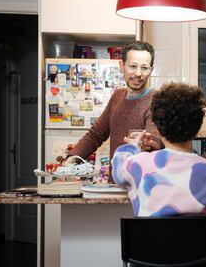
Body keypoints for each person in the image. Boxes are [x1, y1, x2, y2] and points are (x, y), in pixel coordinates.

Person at [112, 83, 206, 267]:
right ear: (197, 127)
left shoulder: (138, 164)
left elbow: (117, 166)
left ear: (157, 125)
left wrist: (133, 146)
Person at [66, 41, 163, 181]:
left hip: (141, 188)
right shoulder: (117, 96)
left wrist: (149, 144)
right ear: (121, 65)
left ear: (151, 70)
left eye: (145, 68)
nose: (138, 73)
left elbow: (154, 141)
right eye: (133, 66)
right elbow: (96, 135)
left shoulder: (157, 100)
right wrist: (71, 159)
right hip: (115, 183)